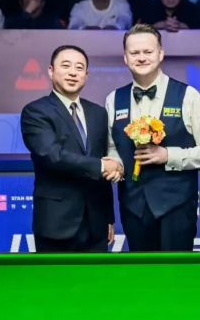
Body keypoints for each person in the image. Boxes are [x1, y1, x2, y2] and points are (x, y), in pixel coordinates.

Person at [105, 24, 200, 252]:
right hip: (133, 206)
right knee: (141, 271)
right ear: (125, 58)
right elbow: (112, 147)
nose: (141, 57)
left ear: (160, 54)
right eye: (134, 53)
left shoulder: (188, 96)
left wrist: (169, 155)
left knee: (176, 272)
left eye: (148, 52)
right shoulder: (113, 99)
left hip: (176, 205)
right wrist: (116, 165)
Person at [20, 45, 122, 252]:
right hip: (55, 222)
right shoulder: (35, 111)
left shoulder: (98, 113)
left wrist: (108, 217)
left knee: (97, 274)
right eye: (65, 66)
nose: (73, 72)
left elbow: (102, 159)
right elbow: (52, 155)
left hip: (96, 223)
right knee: (56, 274)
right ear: (51, 71)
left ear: (86, 75)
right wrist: (101, 166)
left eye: (79, 67)